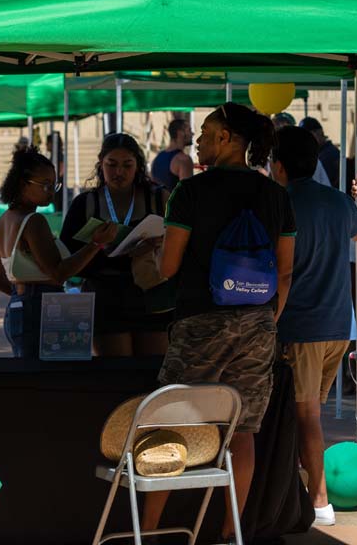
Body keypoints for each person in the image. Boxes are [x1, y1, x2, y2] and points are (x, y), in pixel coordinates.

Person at [142, 103, 295, 540]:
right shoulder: (276, 195)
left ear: (227, 137)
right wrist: (267, 318)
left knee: (170, 425)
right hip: (259, 325)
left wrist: (150, 251)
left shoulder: (189, 192)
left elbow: (169, 267)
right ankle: (232, 533)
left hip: (200, 322)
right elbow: (285, 270)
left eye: (206, 131)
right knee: (242, 430)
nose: (198, 139)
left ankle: (149, 530)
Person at [270, 127, 357, 526]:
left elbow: (280, 275)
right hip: (337, 325)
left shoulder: (280, 203)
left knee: (306, 415)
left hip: (300, 325)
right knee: (308, 412)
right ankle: (303, 491)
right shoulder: (335, 202)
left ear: (277, 165)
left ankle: (318, 501)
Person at [0, 148, 116, 358]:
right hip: (40, 309)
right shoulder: (34, 221)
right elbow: (58, 273)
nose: (51, 191)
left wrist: (21, 294)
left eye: (54, 184)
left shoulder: (5, 219)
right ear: (23, 184)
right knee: (47, 379)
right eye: (45, 185)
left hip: (17, 309)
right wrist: (95, 244)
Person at [60, 134, 170, 356]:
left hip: (152, 296)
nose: (119, 172)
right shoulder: (85, 203)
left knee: (151, 375)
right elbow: (68, 258)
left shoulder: (159, 199)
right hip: (105, 298)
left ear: (138, 165)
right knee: (116, 375)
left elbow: (182, 242)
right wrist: (99, 247)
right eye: (112, 164)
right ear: (101, 163)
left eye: (127, 165)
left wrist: (160, 244)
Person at [151, 118, 194, 192]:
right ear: (180, 133)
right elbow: (187, 194)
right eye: (189, 130)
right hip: (174, 203)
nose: (192, 134)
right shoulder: (184, 160)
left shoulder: (158, 157)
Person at [300, 117, 341, 189]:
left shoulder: (329, 155)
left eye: (308, 135)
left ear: (319, 132)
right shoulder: (321, 153)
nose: (304, 140)